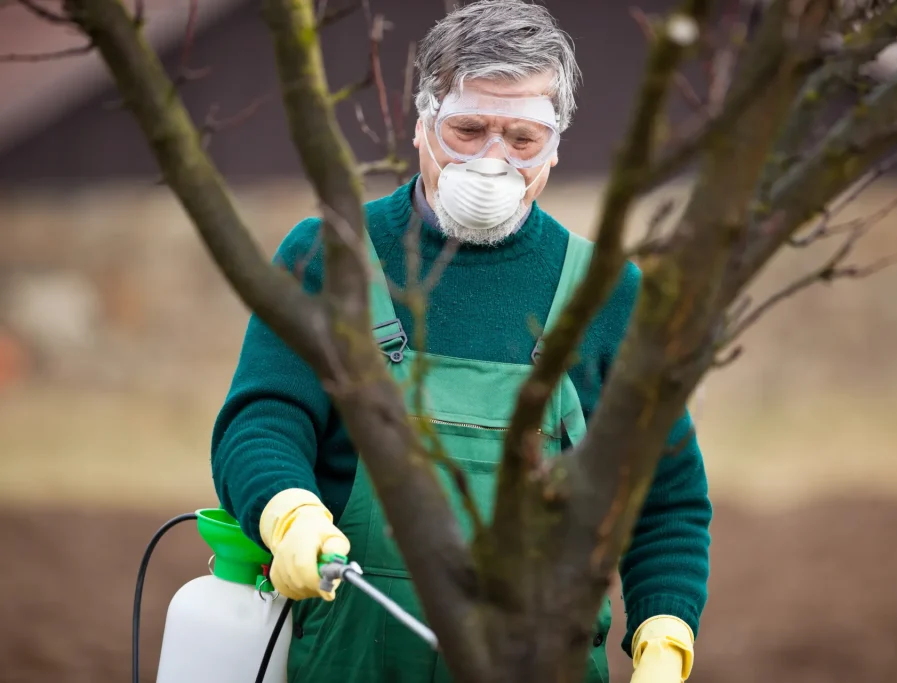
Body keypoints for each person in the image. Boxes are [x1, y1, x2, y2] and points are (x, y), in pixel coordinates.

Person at [211, 2, 711, 682]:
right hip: (353, 659)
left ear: (556, 143)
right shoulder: (333, 257)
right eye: (468, 129)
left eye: (522, 138)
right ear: (423, 126)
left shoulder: (606, 293)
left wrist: (665, 627)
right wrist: (285, 508)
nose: (492, 159)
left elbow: (665, 494)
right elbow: (264, 418)